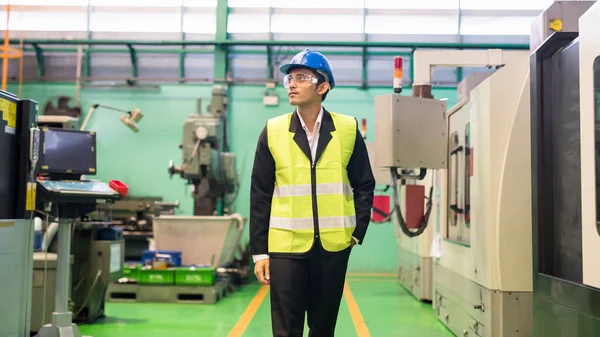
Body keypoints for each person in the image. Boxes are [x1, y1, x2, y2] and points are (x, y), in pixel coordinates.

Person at [249, 48, 376, 337]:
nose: (292, 84)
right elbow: (260, 194)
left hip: (333, 248)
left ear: (323, 86)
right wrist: (259, 252)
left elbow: (364, 184)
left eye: (301, 77)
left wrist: (356, 232)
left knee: (323, 328)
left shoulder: (347, 128)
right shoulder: (273, 130)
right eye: (290, 79)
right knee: (286, 330)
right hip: (285, 248)